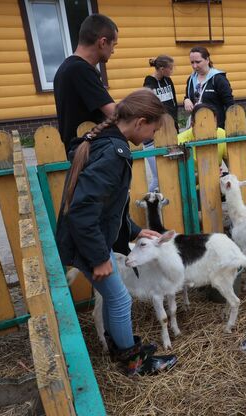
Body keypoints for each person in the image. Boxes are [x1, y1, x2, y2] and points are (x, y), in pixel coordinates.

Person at [55, 89, 178, 376]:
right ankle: (134, 363)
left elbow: (109, 207)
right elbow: (83, 210)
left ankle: (119, 348)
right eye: (153, 129)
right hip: (88, 241)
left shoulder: (106, 142)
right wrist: (99, 257)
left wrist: (134, 230)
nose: (152, 136)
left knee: (114, 297)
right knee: (121, 299)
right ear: (139, 122)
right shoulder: (113, 153)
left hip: (90, 236)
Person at [54, 14, 118, 152]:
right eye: (113, 45)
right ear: (102, 42)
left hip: (80, 152)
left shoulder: (66, 68)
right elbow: (114, 113)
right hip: (89, 154)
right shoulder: (80, 70)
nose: (113, 51)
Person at [143, 55, 179, 191]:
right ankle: (147, 201)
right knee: (158, 177)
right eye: (171, 68)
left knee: (172, 172)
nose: (172, 70)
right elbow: (148, 108)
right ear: (162, 69)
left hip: (170, 132)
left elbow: (174, 104)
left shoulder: (168, 81)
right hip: (154, 136)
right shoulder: (148, 83)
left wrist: (175, 128)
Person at [183, 46, 234, 130]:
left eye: (198, 62)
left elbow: (230, 104)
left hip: (216, 127)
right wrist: (186, 100)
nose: (195, 66)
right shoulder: (191, 79)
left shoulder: (218, 78)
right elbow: (188, 96)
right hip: (197, 126)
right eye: (192, 62)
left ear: (207, 60)